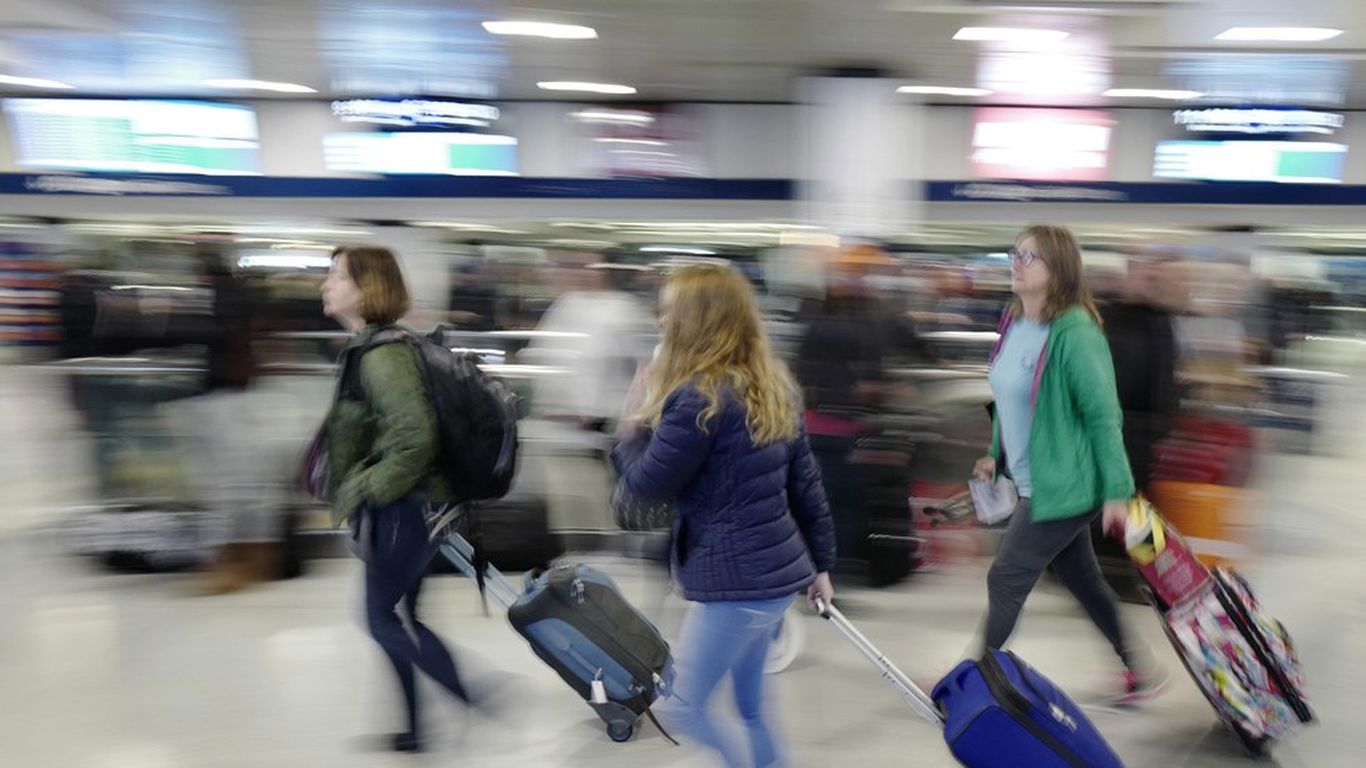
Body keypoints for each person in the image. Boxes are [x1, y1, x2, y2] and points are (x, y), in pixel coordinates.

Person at [613, 263, 836, 768]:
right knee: (753, 709)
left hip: (736, 585)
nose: (660, 321)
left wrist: (630, 428)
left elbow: (643, 492)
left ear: (695, 320)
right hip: (777, 579)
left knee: (682, 707)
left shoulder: (697, 398)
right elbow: (806, 487)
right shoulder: (774, 385)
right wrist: (821, 565)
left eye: (668, 311)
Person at [973, 224, 1166, 706]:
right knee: (1082, 578)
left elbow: (1104, 416)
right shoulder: (1012, 322)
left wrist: (1118, 493)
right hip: (1037, 478)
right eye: (1014, 252)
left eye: (1029, 256)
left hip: (1066, 484)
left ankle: (980, 682)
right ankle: (1139, 669)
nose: (1016, 262)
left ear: (1057, 269)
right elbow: (1008, 400)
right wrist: (994, 456)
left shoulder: (1076, 333)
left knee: (1006, 577)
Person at [320, 245, 475, 752]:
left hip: (405, 506)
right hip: (414, 503)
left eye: (337, 276)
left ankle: (478, 695)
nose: (326, 284)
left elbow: (414, 437)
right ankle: (414, 731)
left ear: (368, 289)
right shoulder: (375, 346)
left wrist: (365, 489)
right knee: (403, 616)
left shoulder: (383, 355)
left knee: (380, 618)